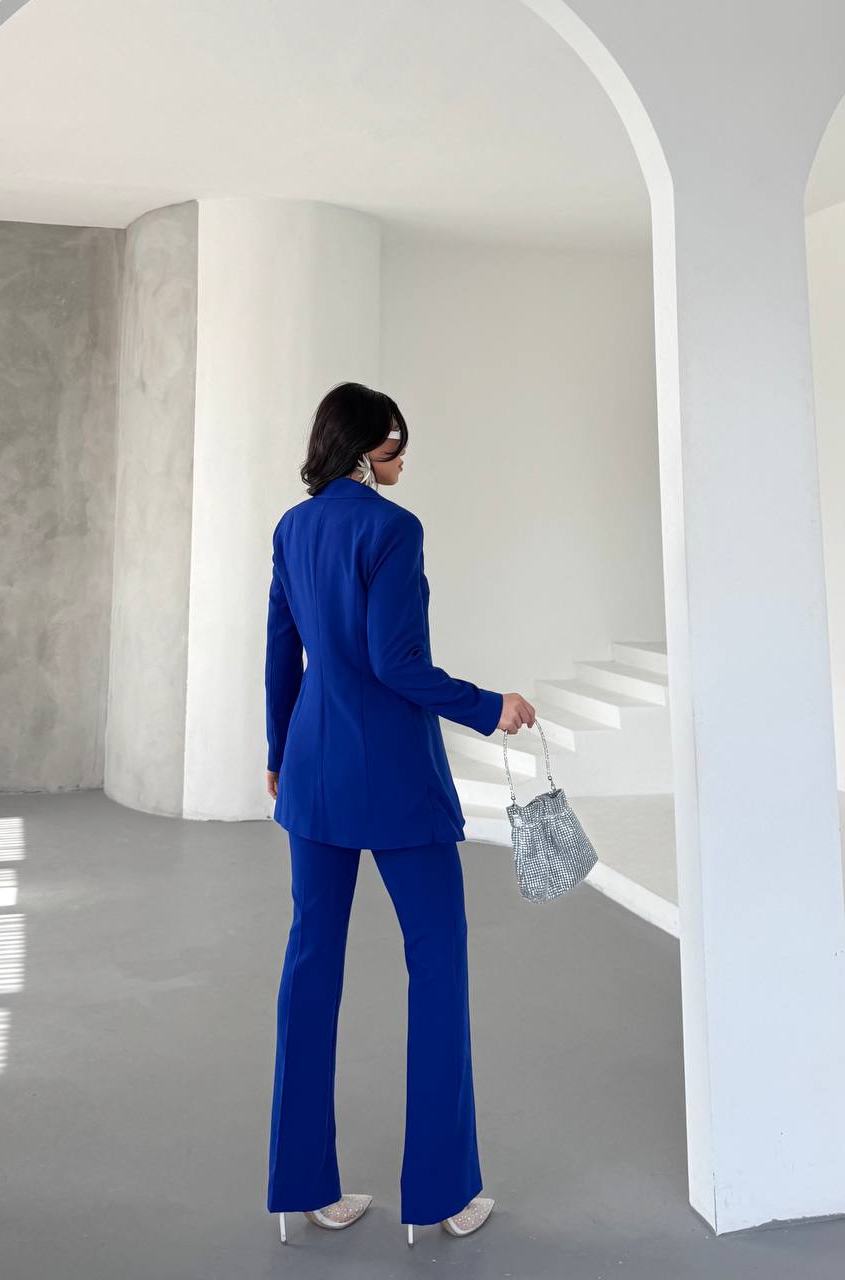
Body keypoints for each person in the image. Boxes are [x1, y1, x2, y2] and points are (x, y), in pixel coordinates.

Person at [264, 381, 535, 1247]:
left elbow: (281, 653)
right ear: (361, 451)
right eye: (393, 445)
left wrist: (277, 753)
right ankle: (442, 1197)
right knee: (437, 966)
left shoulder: (292, 528)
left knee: (310, 967)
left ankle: (300, 1190)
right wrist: (490, 706)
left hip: (313, 774)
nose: (402, 458)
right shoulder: (393, 529)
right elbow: (398, 663)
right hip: (394, 779)